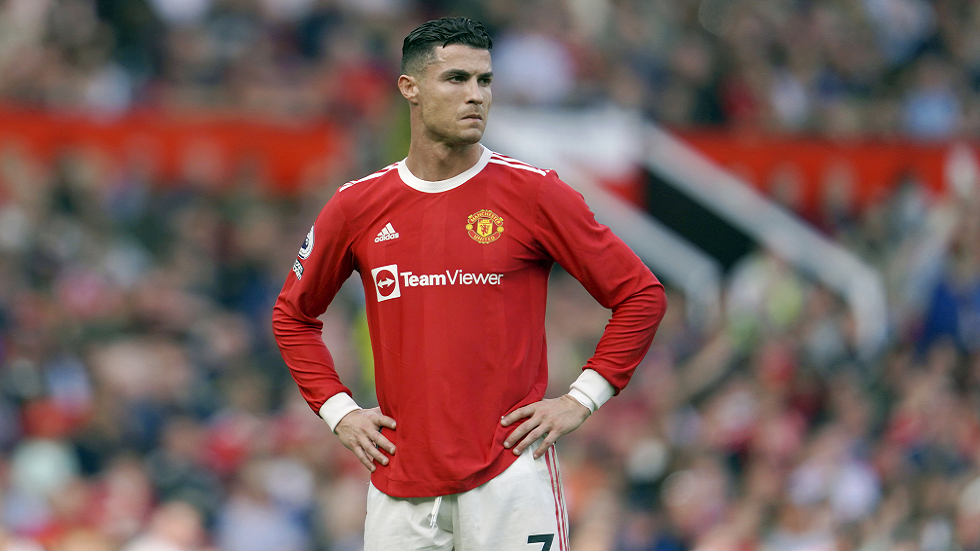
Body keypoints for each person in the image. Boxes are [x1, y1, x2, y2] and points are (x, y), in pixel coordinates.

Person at [272, 16, 667, 551]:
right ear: (410, 88)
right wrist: (338, 411)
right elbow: (292, 316)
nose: (475, 95)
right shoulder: (357, 205)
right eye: (456, 79)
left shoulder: (534, 193)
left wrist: (582, 398)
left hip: (512, 474)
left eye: (485, 80)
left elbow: (641, 294)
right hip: (400, 480)